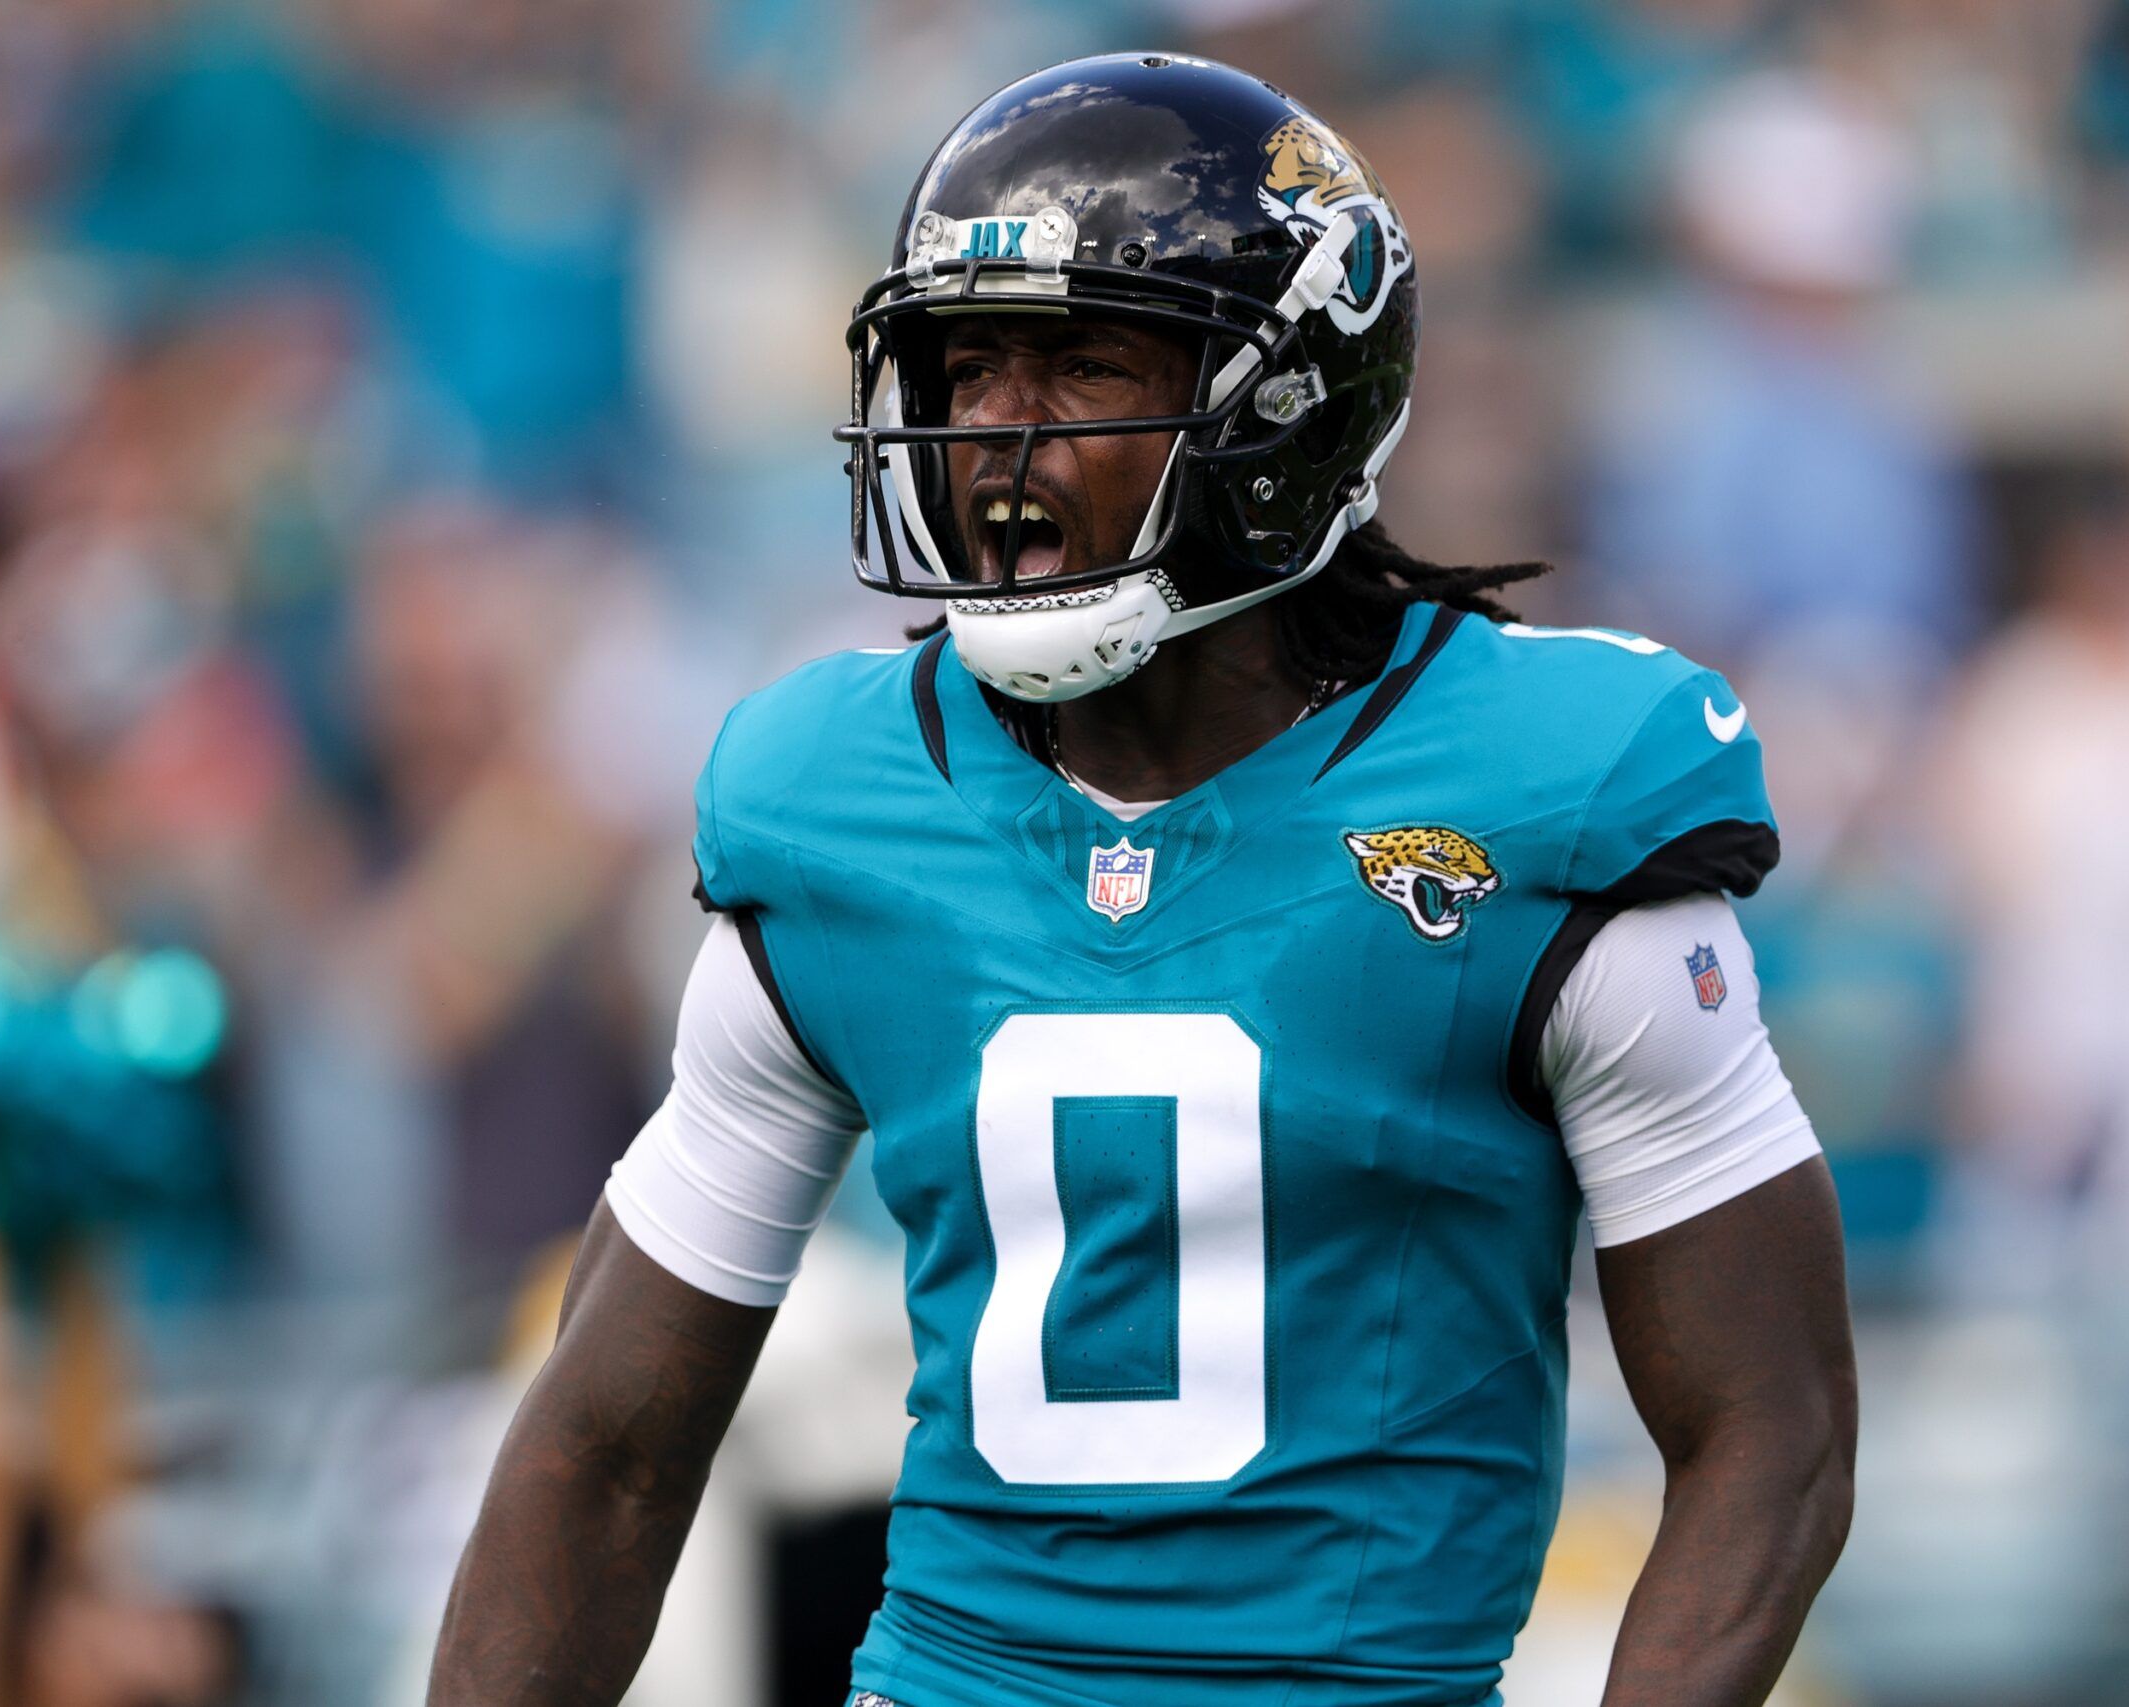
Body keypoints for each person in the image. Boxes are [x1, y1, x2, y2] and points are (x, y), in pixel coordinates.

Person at [430, 54, 1855, 1707]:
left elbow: (1775, 1432)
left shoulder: (1543, 794)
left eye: (1084, 364)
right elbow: (605, 1451)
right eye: (966, 373)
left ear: (1288, 406)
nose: (999, 442)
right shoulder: (838, 801)